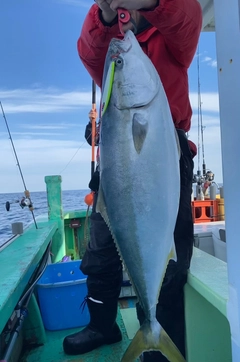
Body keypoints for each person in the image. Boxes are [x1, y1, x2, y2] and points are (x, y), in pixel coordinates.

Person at [63, 1, 202, 361]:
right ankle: (102, 324)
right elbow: (92, 54)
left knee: (168, 259)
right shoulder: (112, 45)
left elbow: (188, 20)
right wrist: (105, 16)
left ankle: (158, 334)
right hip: (119, 159)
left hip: (164, 159)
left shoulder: (171, 35)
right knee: (99, 251)